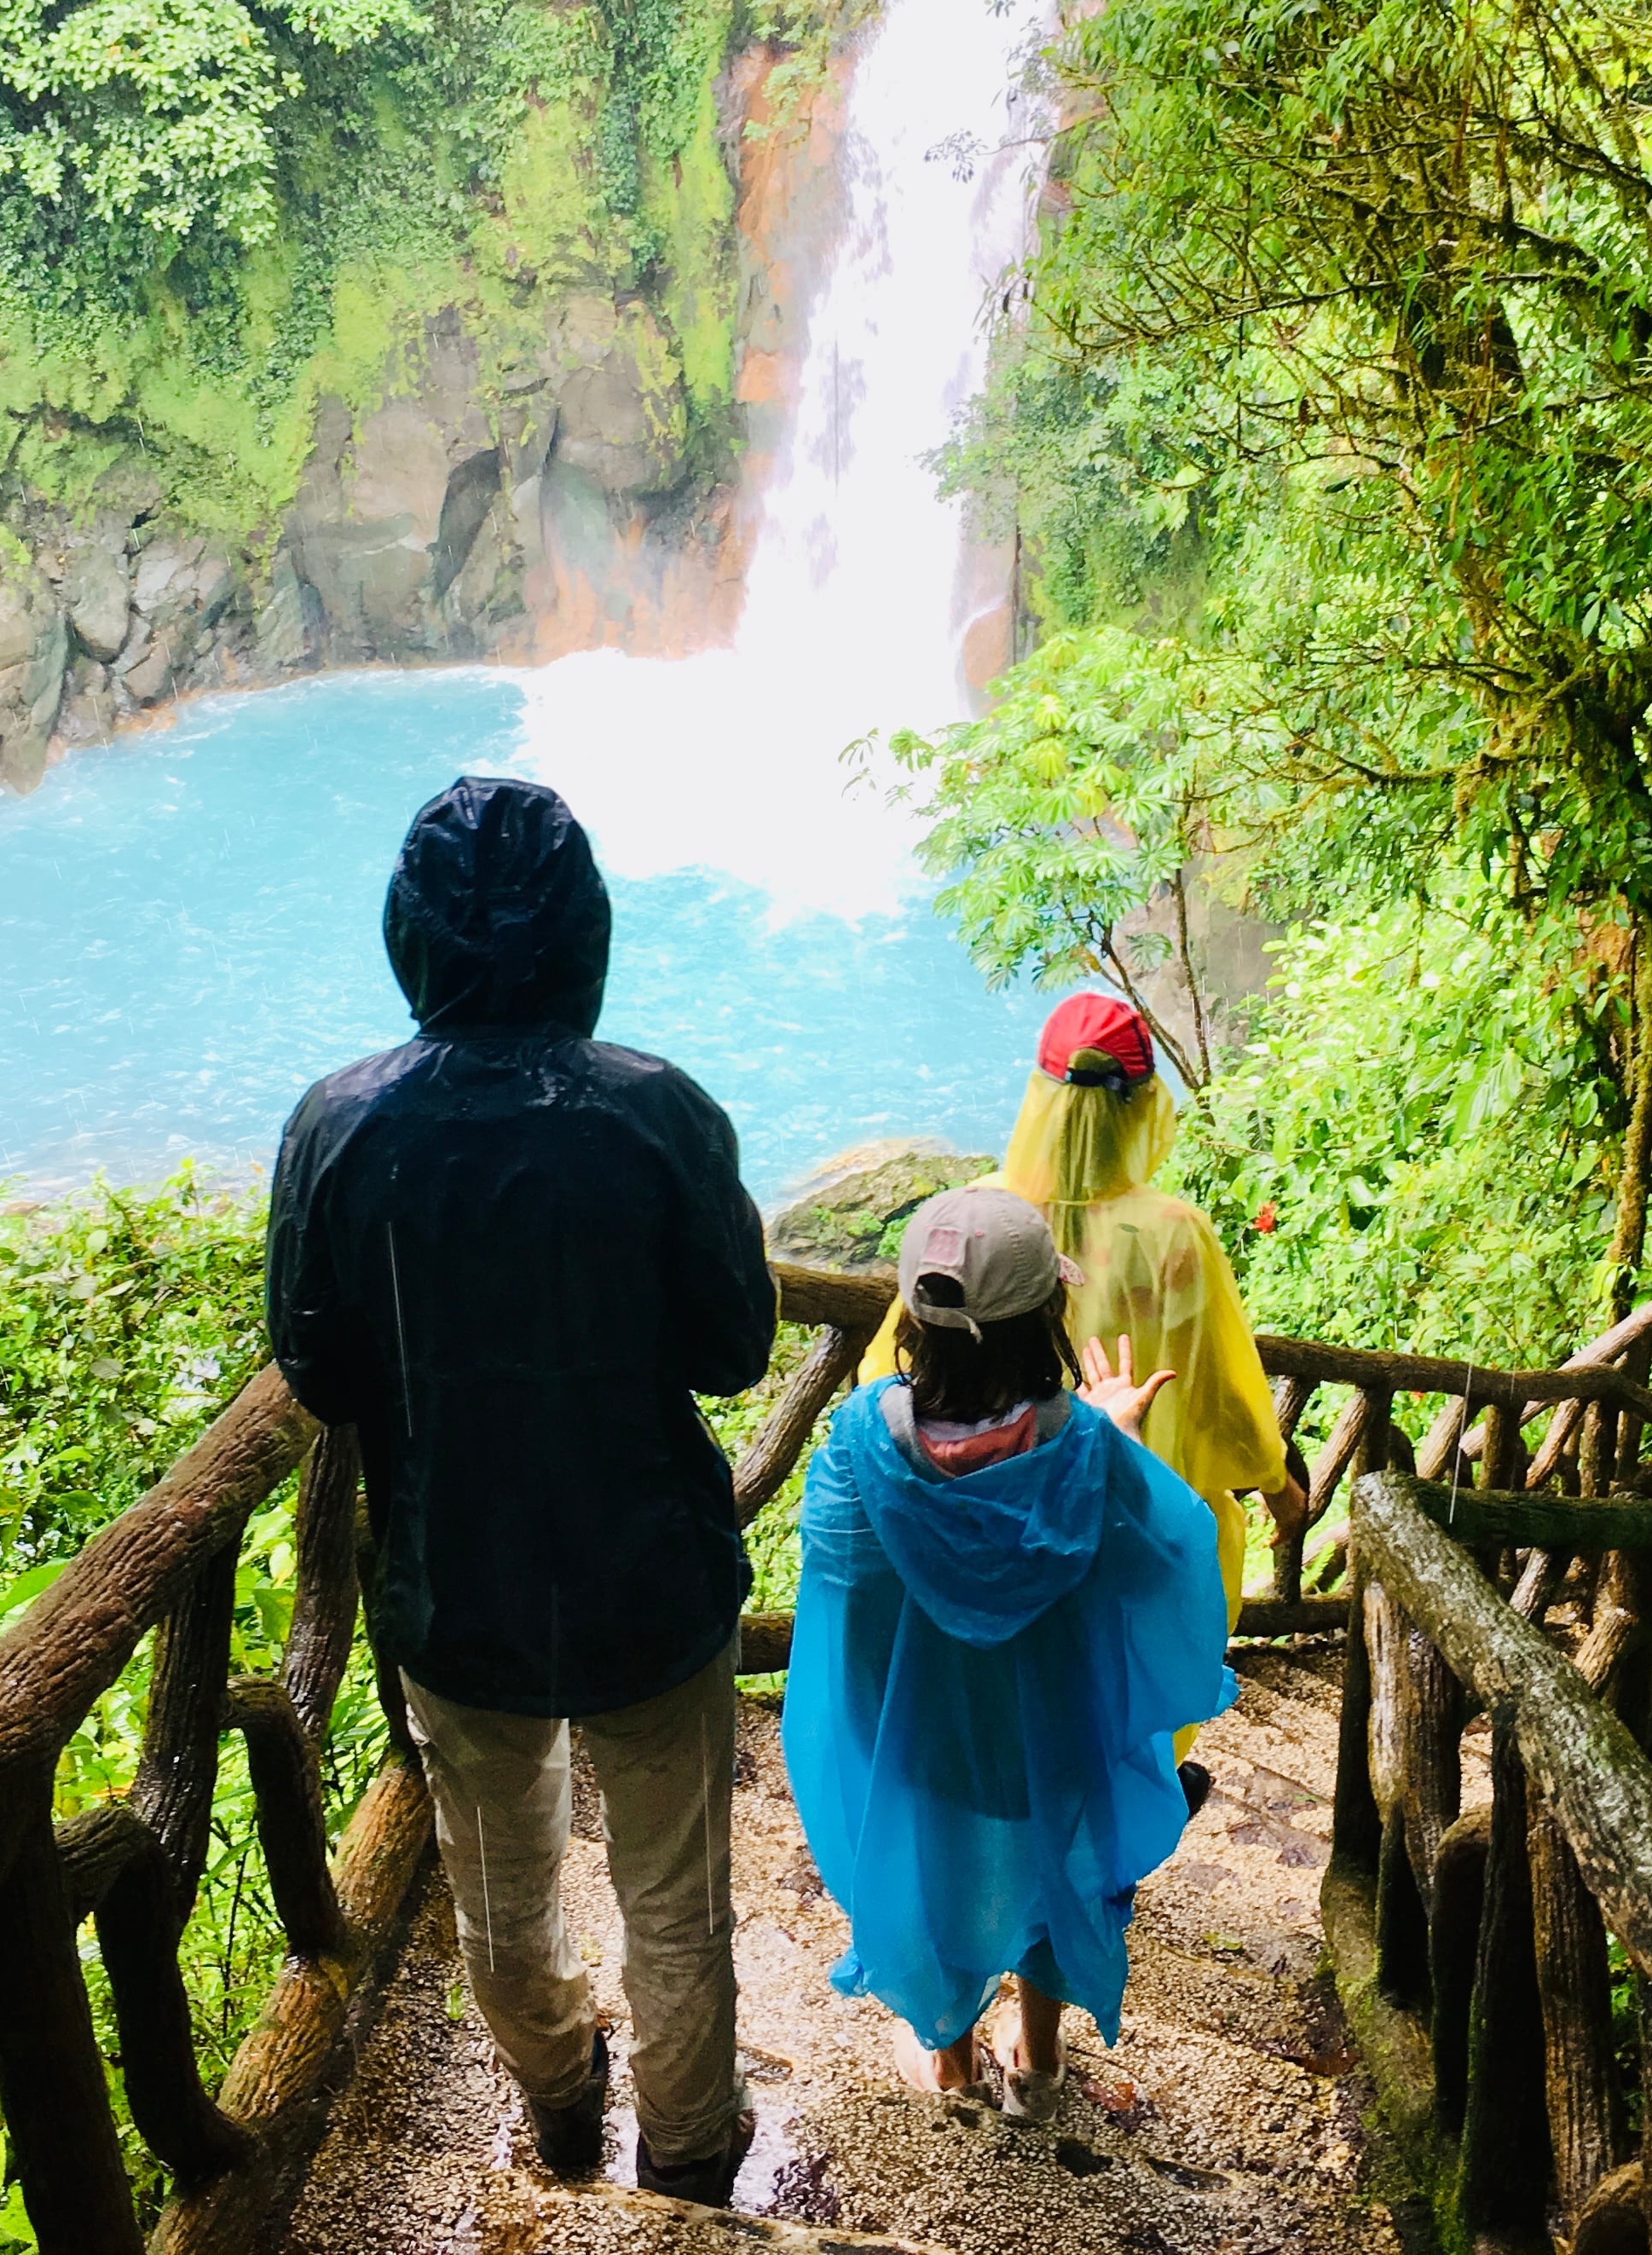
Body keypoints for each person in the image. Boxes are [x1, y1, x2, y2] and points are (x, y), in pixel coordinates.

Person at [264, 775, 777, 2206]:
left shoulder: (337, 1124)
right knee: (675, 1896)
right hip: (652, 1572)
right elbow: (735, 1350)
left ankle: (559, 2099)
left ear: (408, 934)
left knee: (497, 1884)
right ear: (585, 933)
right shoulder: (659, 1112)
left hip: (456, 1583)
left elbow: (318, 1368)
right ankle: (688, 2153)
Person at [788, 1186, 1234, 2113]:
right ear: (1048, 1315)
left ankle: (948, 2060)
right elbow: (1166, 1569)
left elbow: (841, 1603)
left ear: (914, 1320)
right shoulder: (1087, 1452)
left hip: (919, 1744)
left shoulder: (857, 1447)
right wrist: (1118, 1442)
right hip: (1054, 1739)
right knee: (1058, 1868)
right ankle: (1037, 2061)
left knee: (937, 1872)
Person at [864, 992, 1295, 1790]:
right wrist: (1274, 1481)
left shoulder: (977, 1219)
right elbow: (1218, 1388)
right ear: (1139, 1108)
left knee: (1014, 1704)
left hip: (988, 1521)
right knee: (1116, 1702)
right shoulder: (1173, 1234)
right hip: (1129, 1518)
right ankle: (1125, 1811)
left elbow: (891, 1373)